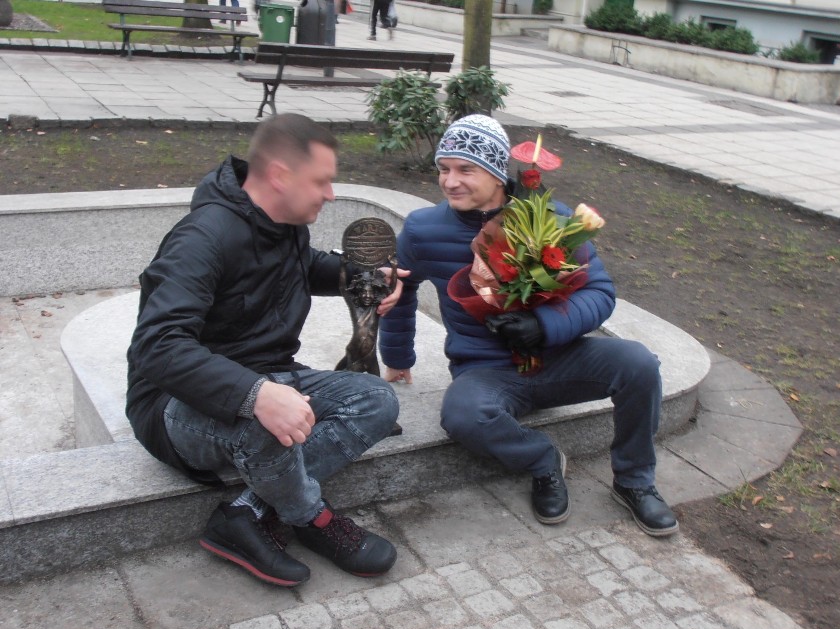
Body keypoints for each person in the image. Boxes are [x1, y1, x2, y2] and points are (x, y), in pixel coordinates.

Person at [126, 113, 407, 588]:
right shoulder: (202, 238)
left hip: (271, 376)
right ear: (280, 175)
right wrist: (254, 394)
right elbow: (157, 346)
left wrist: (363, 277)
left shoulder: (285, 224)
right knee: (267, 424)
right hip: (174, 406)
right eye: (322, 181)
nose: (331, 195)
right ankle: (311, 518)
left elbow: (304, 267)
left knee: (376, 400)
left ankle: (245, 512)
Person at [378, 114, 679, 537]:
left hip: (561, 357)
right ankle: (543, 462)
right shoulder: (423, 229)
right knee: (463, 415)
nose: (449, 181)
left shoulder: (551, 218)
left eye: (466, 169)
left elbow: (600, 293)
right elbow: (402, 291)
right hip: (486, 371)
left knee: (638, 364)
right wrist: (396, 357)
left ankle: (634, 481)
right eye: (443, 169)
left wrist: (543, 325)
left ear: (499, 172)